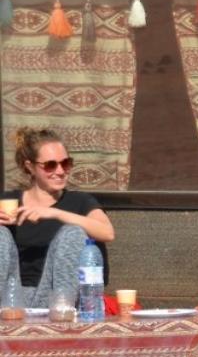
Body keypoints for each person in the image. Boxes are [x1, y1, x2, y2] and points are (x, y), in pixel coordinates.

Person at [0, 127, 114, 306]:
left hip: (58, 299)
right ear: (30, 167)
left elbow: (107, 233)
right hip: (11, 300)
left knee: (72, 233)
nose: (60, 171)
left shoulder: (80, 202)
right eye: (51, 165)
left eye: (66, 163)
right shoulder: (8, 202)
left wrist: (55, 213)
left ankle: (59, 315)